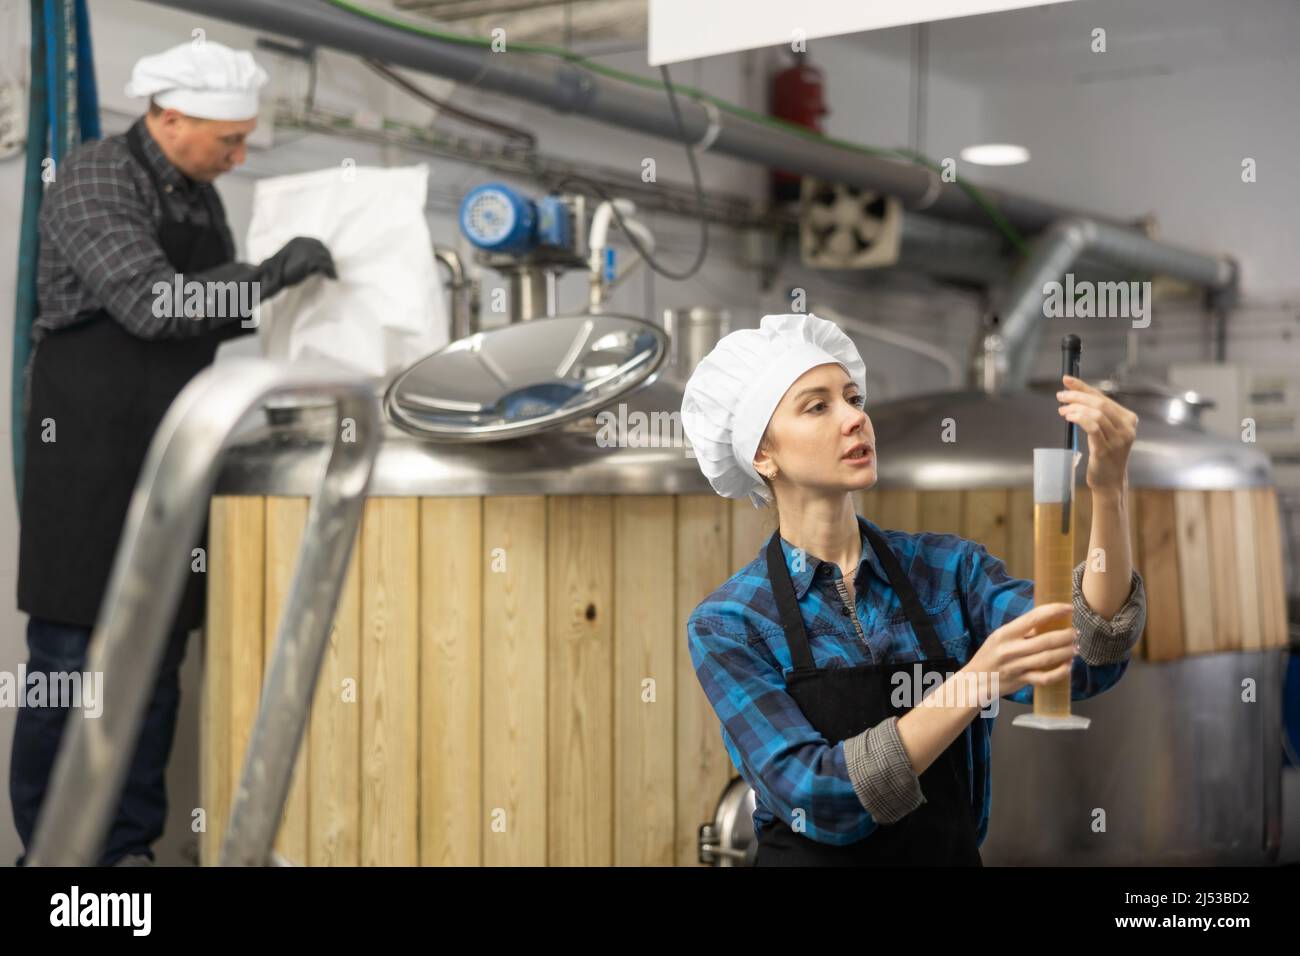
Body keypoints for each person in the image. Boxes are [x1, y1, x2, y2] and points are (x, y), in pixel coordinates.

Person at [11, 40, 337, 866]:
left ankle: (127, 850)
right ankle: (52, 852)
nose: (238, 155)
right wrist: (268, 276)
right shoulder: (91, 180)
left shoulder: (199, 200)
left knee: (154, 656)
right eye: (228, 140)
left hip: (174, 446)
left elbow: (207, 309)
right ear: (170, 117)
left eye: (243, 140)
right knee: (73, 657)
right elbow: (156, 304)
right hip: (85, 453)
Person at [680, 312, 1147, 866]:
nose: (855, 419)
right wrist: (972, 684)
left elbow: (1084, 658)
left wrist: (1108, 488)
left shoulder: (947, 572)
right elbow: (821, 797)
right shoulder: (731, 623)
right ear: (763, 455)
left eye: (854, 398)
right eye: (818, 405)